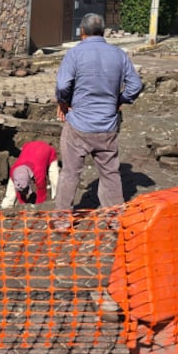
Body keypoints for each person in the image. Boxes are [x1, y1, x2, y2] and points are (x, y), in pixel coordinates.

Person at [54, 13, 143, 216]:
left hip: (78, 126)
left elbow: (62, 85)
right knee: (110, 173)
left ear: (81, 32)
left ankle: (61, 221)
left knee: (70, 173)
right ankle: (114, 217)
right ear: (103, 32)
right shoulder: (119, 54)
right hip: (107, 126)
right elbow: (135, 86)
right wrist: (120, 100)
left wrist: (63, 102)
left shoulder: (74, 54)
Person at [2, 141, 60, 209]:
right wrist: (22, 203)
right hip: (29, 147)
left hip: (46, 150)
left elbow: (42, 191)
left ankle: (57, 198)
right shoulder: (13, 170)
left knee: (54, 177)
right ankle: (7, 204)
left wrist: (39, 206)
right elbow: (17, 188)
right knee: (11, 185)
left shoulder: (38, 173)